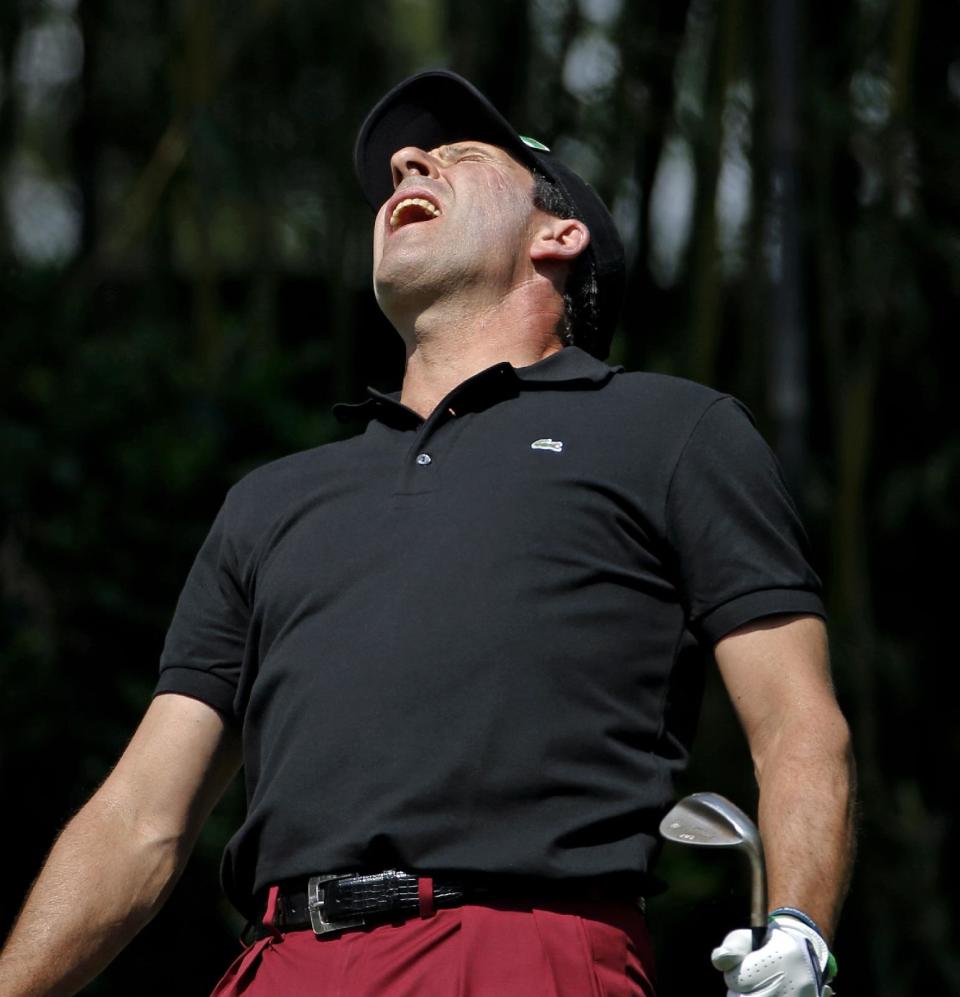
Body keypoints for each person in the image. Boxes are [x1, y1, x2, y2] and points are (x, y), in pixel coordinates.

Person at [0, 70, 855, 997]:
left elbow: (798, 722)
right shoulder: (272, 499)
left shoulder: (673, 431)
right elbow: (138, 820)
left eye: (459, 156)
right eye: (407, 163)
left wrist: (800, 928)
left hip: (526, 956)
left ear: (557, 235)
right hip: (278, 965)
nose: (407, 162)